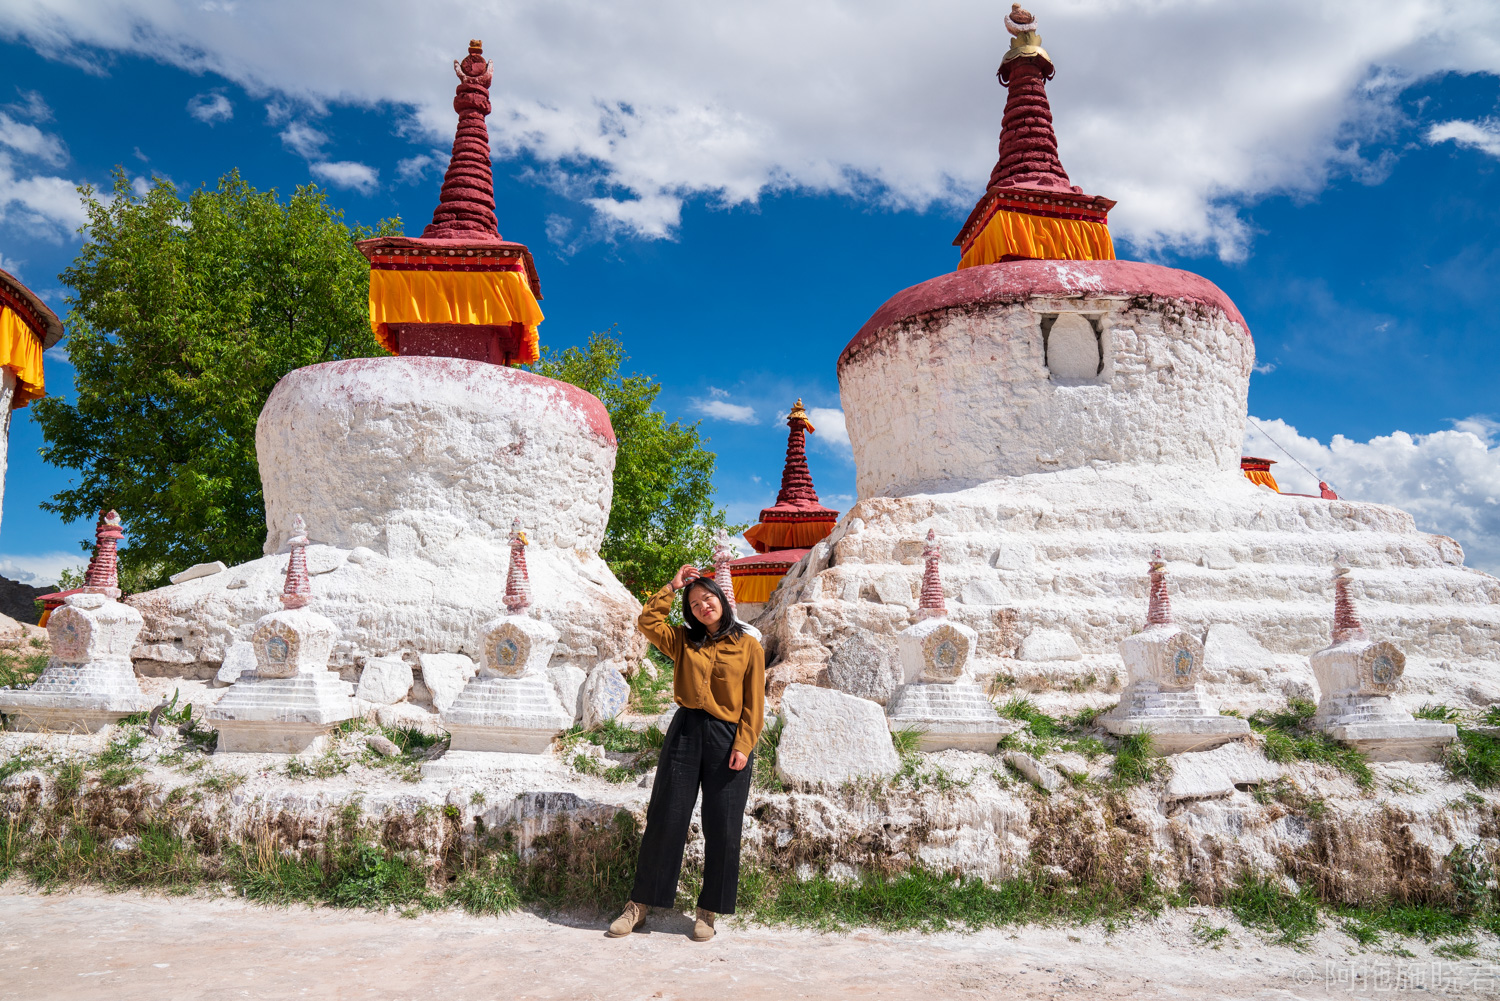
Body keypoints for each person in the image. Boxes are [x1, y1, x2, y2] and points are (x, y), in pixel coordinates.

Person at [607, 564, 765, 942]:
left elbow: (754, 702)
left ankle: (708, 910)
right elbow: (648, 621)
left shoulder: (748, 645)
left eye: (707, 599)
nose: (702, 607)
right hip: (686, 732)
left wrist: (743, 744)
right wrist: (672, 586)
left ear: (721, 600)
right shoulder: (682, 640)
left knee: (723, 824)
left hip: (728, 738)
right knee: (666, 816)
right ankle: (639, 904)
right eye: (694, 604)